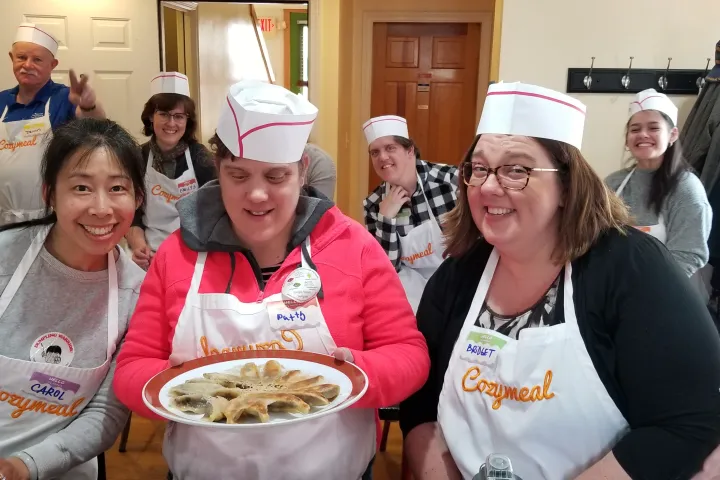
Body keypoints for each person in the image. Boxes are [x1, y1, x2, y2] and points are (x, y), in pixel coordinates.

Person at [399, 82, 720, 480]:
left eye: (517, 169)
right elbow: (420, 404)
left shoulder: (629, 268)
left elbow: (690, 422)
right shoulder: (457, 275)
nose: (488, 186)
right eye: (478, 168)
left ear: (567, 185)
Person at [112, 80, 429, 480]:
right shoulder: (177, 256)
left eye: (276, 177)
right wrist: (171, 384)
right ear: (218, 170)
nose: (257, 195)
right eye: (238, 175)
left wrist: (354, 375)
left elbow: (408, 354)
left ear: (302, 171)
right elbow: (131, 367)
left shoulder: (353, 247)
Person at [0, 118, 146, 480]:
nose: (101, 208)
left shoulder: (138, 292)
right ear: (50, 193)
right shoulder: (4, 258)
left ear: (137, 198)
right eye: (81, 187)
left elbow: (105, 413)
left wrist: (23, 467)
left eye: (117, 188)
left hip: (60, 467)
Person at [0, 23, 106, 226]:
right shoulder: (2, 101)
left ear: (53, 64)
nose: (27, 65)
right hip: (3, 218)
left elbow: (97, 127)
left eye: (37, 59)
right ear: (12, 58)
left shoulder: (64, 97)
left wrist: (89, 104)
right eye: (21, 57)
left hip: (52, 217)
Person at [606, 88, 712, 278]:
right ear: (627, 140)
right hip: (614, 285)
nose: (643, 135)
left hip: (666, 289)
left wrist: (644, 289)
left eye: (654, 128)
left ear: (672, 135)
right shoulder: (613, 183)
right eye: (635, 129)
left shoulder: (686, 188)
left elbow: (688, 255)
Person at [362, 115, 458, 312]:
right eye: (375, 152)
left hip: (458, 284)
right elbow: (387, 269)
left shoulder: (450, 181)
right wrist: (386, 218)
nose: (382, 157)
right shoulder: (373, 204)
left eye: (390, 148)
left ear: (410, 150)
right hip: (412, 296)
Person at [125, 72, 215, 270]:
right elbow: (131, 212)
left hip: (192, 253)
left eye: (179, 116)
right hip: (150, 254)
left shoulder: (201, 158)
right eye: (164, 114)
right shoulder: (138, 157)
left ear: (187, 121)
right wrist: (139, 246)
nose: (171, 123)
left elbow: (215, 210)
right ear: (151, 117)